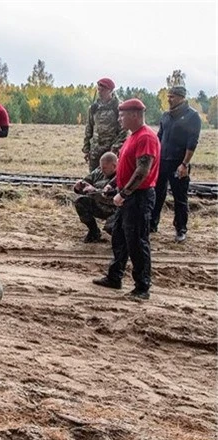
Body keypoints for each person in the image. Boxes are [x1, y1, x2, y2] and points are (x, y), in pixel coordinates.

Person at [92, 99, 160, 300]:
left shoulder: (146, 137)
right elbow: (125, 166)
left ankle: (142, 288)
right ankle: (115, 277)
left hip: (138, 198)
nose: (119, 118)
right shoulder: (133, 136)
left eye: (123, 115)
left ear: (135, 115)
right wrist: (113, 185)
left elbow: (142, 170)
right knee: (119, 237)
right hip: (129, 196)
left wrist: (124, 193)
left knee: (137, 242)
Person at [151, 86, 202, 243]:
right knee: (157, 195)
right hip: (162, 162)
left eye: (172, 97)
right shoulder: (166, 115)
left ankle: (181, 229)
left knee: (180, 198)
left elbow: (192, 142)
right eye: (168, 96)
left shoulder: (192, 116)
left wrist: (184, 164)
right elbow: (159, 137)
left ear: (181, 97)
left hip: (179, 163)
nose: (169, 99)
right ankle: (152, 224)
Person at [82, 78, 128, 171]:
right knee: (93, 178)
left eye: (102, 90)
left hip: (111, 152)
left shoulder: (118, 107)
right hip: (95, 152)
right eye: (98, 90)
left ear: (110, 91)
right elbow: (89, 128)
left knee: (109, 179)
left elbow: (124, 130)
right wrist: (87, 149)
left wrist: (115, 148)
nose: (100, 92)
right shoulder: (94, 107)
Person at [73, 152, 118, 243]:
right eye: (101, 167)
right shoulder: (99, 171)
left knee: (112, 229)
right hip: (100, 205)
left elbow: (112, 195)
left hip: (116, 209)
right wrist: (79, 187)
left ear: (114, 166)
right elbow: (86, 181)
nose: (102, 170)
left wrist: (94, 191)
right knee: (80, 202)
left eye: (105, 168)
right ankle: (94, 232)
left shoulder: (121, 175)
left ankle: (123, 242)